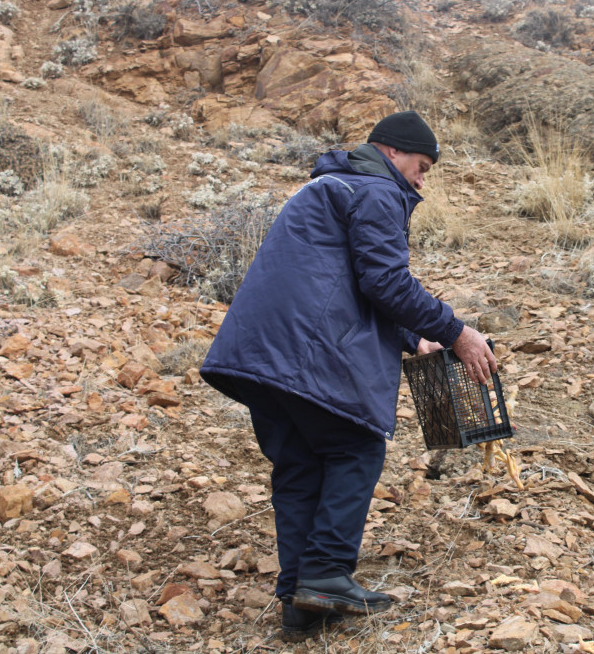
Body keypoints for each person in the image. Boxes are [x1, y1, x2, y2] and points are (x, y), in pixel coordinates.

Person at [200, 111, 497, 641]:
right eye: (422, 166)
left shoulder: (327, 187)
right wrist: (457, 332)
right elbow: (384, 281)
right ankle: (328, 571)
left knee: (298, 467)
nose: (422, 180)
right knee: (355, 448)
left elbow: (341, 281)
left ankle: (302, 602)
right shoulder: (376, 190)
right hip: (306, 353)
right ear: (392, 151)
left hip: (260, 354)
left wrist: (414, 337)